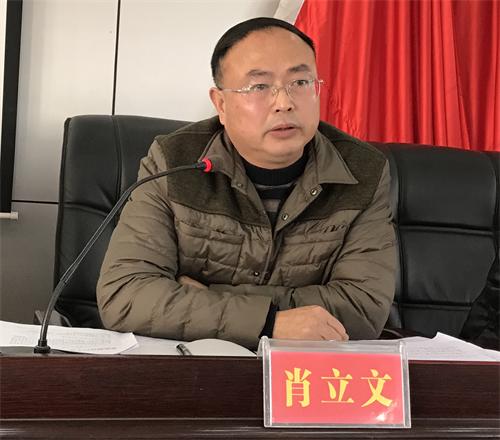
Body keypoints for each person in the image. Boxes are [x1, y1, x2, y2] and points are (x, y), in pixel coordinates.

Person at [97, 17, 396, 349]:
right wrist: (271, 322)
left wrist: (207, 299)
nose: (284, 102)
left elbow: (362, 308)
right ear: (221, 104)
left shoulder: (363, 170)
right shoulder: (173, 161)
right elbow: (125, 294)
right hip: (194, 367)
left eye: (300, 82)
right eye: (259, 87)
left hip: (305, 371)